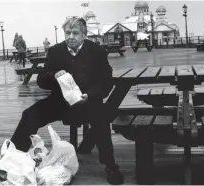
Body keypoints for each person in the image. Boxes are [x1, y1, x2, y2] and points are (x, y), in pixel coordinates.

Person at [9, 17, 124, 184]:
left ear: (84, 35)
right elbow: (42, 80)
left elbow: (105, 81)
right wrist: (52, 75)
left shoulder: (97, 51)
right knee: (29, 115)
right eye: (68, 33)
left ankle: (110, 165)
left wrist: (90, 95)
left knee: (101, 120)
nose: (71, 36)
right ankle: (13, 161)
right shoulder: (56, 51)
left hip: (89, 102)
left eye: (75, 33)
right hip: (60, 102)